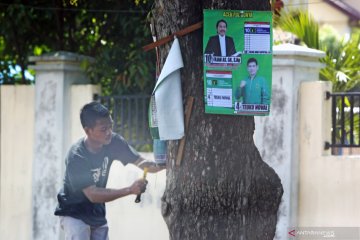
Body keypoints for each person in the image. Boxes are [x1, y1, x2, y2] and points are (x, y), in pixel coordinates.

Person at [54, 102, 164, 240]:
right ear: (88, 130)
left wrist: (166, 165)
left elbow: (143, 163)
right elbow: (92, 194)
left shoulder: (114, 142)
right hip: (74, 213)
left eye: (111, 127)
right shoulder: (77, 156)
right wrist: (129, 190)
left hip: (97, 214)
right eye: (103, 129)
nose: (109, 133)